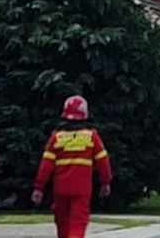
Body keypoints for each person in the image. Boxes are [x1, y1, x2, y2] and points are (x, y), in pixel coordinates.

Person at [31, 95, 112, 238]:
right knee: (78, 224)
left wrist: (39, 188)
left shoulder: (56, 138)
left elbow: (46, 165)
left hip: (60, 189)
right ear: (84, 115)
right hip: (82, 190)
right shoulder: (92, 137)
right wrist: (106, 183)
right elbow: (103, 162)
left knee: (62, 224)